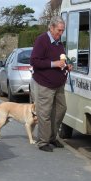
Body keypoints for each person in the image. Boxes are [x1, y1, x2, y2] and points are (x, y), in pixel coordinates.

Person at [30, 16, 72, 152]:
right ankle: (43, 142)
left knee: (61, 109)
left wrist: (66, 66)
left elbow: (60, 61)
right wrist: (54, 64)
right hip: (44, 84)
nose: (61, 33)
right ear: (51, 28)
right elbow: (34, 61)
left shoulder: (59, 43)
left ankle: (53, 137)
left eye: (63, 30)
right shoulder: (42, 40)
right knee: (45, 113)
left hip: (58, 84)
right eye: (59, 30)